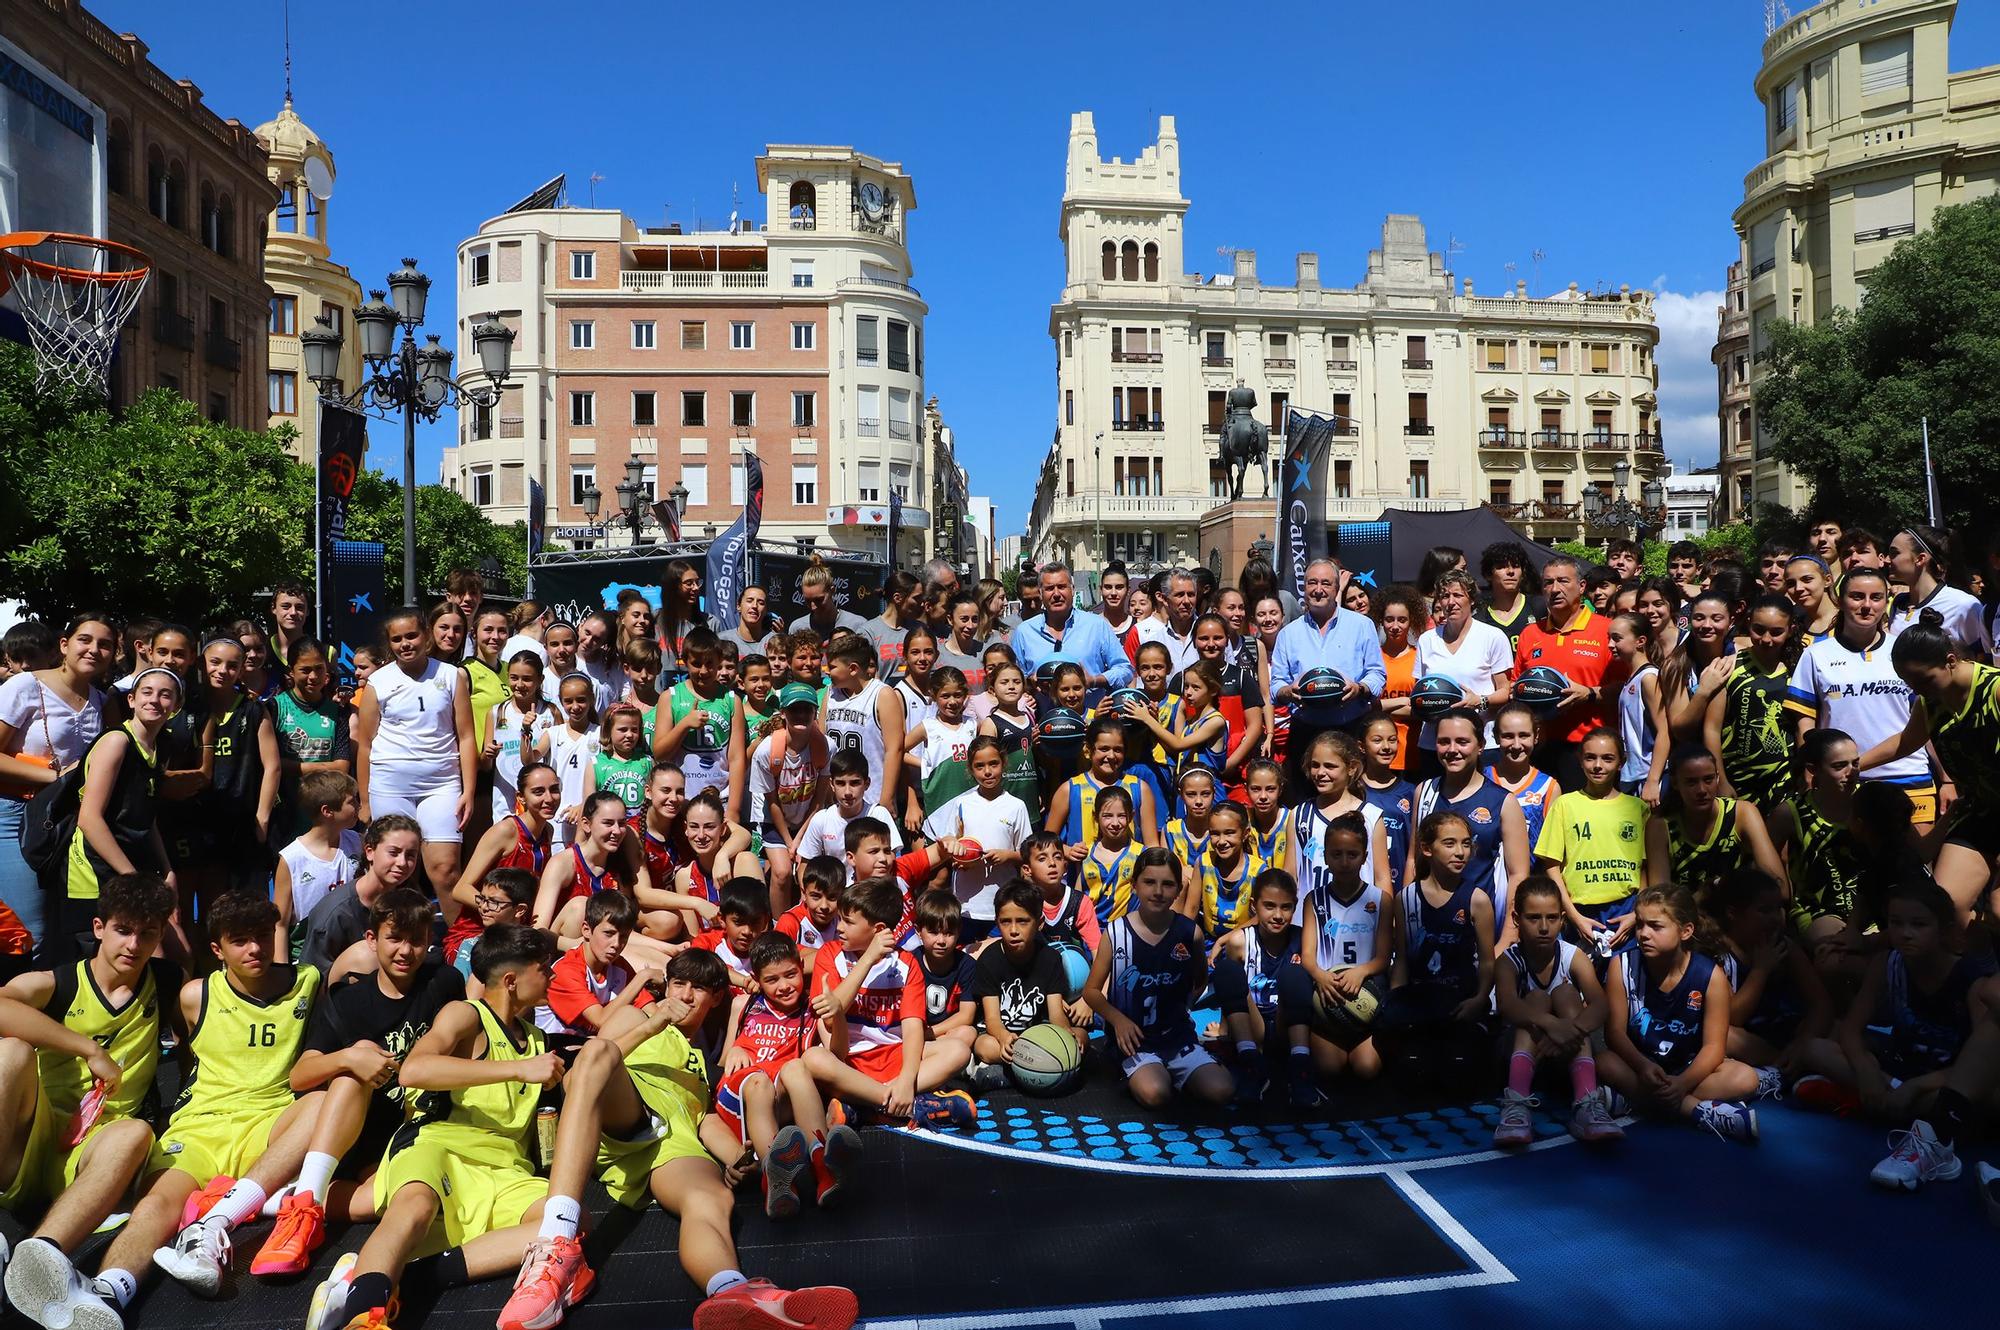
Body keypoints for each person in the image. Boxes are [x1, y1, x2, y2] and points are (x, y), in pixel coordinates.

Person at [110, 893, 325, 1299]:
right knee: (154, 1208)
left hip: (268, 1123)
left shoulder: (308, 981)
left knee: (320, 1105)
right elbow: (185, 1051)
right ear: (217, 949)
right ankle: (108, 1289)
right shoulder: (196, 995)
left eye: (263, 936)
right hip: (201, 1128)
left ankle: (216, 1216)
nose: (256, 949)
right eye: (240, 940)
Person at [0, 874, 177, 1330]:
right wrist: (89, 1049)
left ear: (161, 934)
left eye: (148, 932)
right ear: (99, 927)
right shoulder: (61, 981)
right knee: (11, 1051)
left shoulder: (169, 982)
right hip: (29, 1136)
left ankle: (43, 1256)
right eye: (123, 929)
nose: (134, 944)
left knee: (137, 1131)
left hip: (91, 1154)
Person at [1804, 878, 1999, 1188]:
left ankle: (1865, 1102)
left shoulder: (1972, 981)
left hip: (1940, 1083)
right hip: (1896, 1069)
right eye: (1896, 923)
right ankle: (1880, 1099)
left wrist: (1914, 1087)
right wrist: (1867, 1071)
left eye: (1919, 924)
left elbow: (1979, 1066)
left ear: (1944, 930)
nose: (1906, 933)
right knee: (1816, 1048)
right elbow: (1852, 1030)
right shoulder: (1888, 963)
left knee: (1985, 1101)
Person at [801, 877, 975, 1127]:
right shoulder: (829, 955)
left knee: (958, 1050)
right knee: (813, 1059)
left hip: (895, 1055)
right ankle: (906, 1105)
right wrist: (868, 958)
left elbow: (913, 1027)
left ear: (878, 929)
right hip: (850, 1061)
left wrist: (906, 1079)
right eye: (841, 919)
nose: (839, 927)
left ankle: (865, 1105)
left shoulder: (906, 963)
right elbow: (831, 1013)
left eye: (848, 922)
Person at [709, 932, 858, 1220]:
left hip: (780, 1100)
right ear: (757, 979)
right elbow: (724, 1059)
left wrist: (837, 1014)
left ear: (801, 967)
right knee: (759, 1082)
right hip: (740, 1094)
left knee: (797, 1066)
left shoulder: (812, 1009)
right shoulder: (745, 1004)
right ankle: (774, 1180)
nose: (784, 986)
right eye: (772, 980)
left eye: (790, 975)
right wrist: (737, 1049)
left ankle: (822, 1166)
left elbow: (836, 1055)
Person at [1599, 884, 1761, 1143]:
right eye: (1639, 924)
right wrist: (1643, 1066)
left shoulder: (1711, 976)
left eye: (1656, 926)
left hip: (1689, 1068)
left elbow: (1713, 1047)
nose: (1644, 934)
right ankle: (1697, 1111)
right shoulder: (1622, 965)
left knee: (1746, 1078)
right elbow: (1615, 1033)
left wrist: (1683, 1083)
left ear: (1686, 931)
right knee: (1604, 1061)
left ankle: (1634, 1101)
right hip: (1641, 1066)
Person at [1865, 612, 2000, 918]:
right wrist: (1854, 765)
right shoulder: (1931, 701)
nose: (1917, 689)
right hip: (1982, 811)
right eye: (1909, 682)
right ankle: (1984, 966)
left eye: (1923, 679)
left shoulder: (1994, 691)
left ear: (1950, 661)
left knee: (1998, 910)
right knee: (1942, 910)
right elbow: (1905, 742)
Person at [0, 612, 112, 956]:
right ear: (64, 645)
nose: (94, 649)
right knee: (31, 932)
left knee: (65, 928)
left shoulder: (103, 701)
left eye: (105, 644)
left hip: (69, 822)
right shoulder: (24, 686)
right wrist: (59, 778)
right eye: (85, 640)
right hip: (17, 814)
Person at [1086, 847, 1233, 1108]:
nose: (1157, 891)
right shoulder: (1116, 933)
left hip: (1177, 1039)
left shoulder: (1190, 933)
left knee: (1222, 1090)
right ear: (1134, 886)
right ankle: (1127, 1068)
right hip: (1135, 1043)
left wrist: (1182, 1007)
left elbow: (1199, 981)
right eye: (1149, 882)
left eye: (1167, 884)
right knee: (1156, 1094)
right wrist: (1118, 1021)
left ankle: (1179, 1073)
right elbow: (1092, 992)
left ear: (1178, 890)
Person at [1786, 568, 1935, 822]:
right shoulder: (1816, 654)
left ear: (1886, 601)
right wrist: (1813, 770)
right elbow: (1805, 723)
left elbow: (1924, 721)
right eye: (1857, 596)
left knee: (1916, 860)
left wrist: (1946, 778)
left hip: (1908, 776)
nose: (1867, 606)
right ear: (1840, 600)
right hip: (1844, 782)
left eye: (1876, 597)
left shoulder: (1905, 650)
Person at [57, 668, 179, 966]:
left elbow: (145, 817)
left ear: (175, 706)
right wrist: (133, 878)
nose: (155, 700)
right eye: (147, 692)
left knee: (176, 957)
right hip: (96, 873)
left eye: (165, 694)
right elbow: (89, 818)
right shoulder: (117, 741)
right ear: (132, 700)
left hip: (131, 869)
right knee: (138, 965)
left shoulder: (157, 748)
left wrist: (167, 869)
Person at [355, 608, 477, 902]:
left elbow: (467, 736)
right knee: (394, 873)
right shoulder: (378, 682)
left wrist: (468, 791)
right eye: (397, 639)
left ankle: (456, 946)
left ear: (426, 635)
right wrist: (365, 800)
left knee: (445, 870)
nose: (405, 644)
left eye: (412, 635)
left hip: (442, 785)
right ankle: (395, 943)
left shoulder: (451, 676)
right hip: (390, 787)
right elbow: (365, 744)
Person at [1492, 875, 1621, 1146]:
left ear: (1563, 919)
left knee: (1566, 993)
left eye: (1552, 918)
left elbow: (1600, 1004)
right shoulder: (1508, 960)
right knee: (1537, 998)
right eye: (1533, 918)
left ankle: (1587, 1103)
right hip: (1521, 1054)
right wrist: (1552, 1026)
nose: (1543, 927)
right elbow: (1507, 1005)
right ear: (1516, 919)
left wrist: (1570, 1030)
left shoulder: (1573, 955)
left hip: (1566, 1051)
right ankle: (1516, 1104)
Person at [1380, 811, 1494, 1083]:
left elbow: (1489, 961)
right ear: (1426, 849)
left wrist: (1479, 1000)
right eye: (1450, 843)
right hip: (1419, 1004)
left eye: (1466, 843)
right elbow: (1403, 959)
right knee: (1412, 1072)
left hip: (1460, 1002)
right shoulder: (1406, 898)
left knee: (1458, 1073)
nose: (1460, 852)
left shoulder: (1477, 900)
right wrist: (1397, 1002)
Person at [1532, 727, 1654, 961]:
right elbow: (1551, 866)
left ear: (1621, 762)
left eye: (1608, 758)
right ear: (1580, 760)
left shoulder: (1638, 809)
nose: (1598, 765)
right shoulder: (1564, 805)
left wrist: (1637, 913)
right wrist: (1573, 916)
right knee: (1580, 989)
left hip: (1626, 913)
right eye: (1590, 757)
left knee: (1623, 987)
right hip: (1579, 912)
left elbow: (1645, 867)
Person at [1296, 812, 1391, 1098]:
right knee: (1330, 1069)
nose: (1345, 862)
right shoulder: (1315, 899)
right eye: (1337, 854)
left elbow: (1383, 958)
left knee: (1366, 1068)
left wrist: (1361, 972)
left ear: (1364, 857)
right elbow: (1308, 956)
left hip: (1366, 994)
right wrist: (1321, 977)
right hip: (1327, 996)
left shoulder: (1380, 899)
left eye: (1352, 854)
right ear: (1325, 857)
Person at [1270, 559, 1386, 793]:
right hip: (1305, 730)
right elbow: (1276, 685)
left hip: (1350, 728)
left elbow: (1377, 674)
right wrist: (1287, 691)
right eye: (1312, 582)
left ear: (1336, 589)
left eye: (1326, 583)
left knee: (1352, 798)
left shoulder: (1362, 626)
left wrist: (1360, 688)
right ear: (1304, 587)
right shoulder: (1288, 634)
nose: (1318, 589)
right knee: (1307, 798)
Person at [1410, 713, 1529, 942]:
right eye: (1444, 741)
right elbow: (1413, 861)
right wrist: (1404, 918)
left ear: (1481, 746)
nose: (1452, 749)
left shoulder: (1504, 801)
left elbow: (1518, 875)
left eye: (1462, 742)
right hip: (1427, 929)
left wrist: (1507, 938)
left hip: (1482, 933)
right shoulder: (1423, 792)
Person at [1711, 869, 1830, 1086]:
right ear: (1732, 913)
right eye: (1764, 911)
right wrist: (1760, 970)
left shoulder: (1786, 947)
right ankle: (1784, 1068)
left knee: (1837, 1028)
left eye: (1778, 909)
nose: (1775, 918)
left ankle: (1796, 1065)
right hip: (1753, 1042)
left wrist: (1802, 1044)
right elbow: (1730, 1018)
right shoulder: (1719, 954)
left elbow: (1820, 1004)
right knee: (1724, 1036)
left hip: (1789, 1033)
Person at [1512, 556, 1613, 791]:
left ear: (1581, 587)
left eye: (1563, 581)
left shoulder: (1606, 630)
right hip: (1540, 747)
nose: (1555, 589)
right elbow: (1517, 684)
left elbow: (1626, 687)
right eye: (1548, 583)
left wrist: (1589, 693)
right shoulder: (1530, 633)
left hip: (1588, 749)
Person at [1766, 728, 1864, 962]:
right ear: (1813, 770)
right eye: (1840, 766)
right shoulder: (1791, 812)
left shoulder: (1869, 801)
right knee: (1836, 958)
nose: (1851, 773)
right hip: (1818, 910)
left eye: (1856, 763)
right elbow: (1764, 863)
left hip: (1869, 906)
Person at [969, 880, 1081, 1081]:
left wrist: (1066, 1034)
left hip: (1037, 1034)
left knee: (1082, 1037)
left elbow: (1056, 1014)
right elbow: (992, 1019)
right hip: (1001, 1036)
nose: (1013, 930)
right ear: (997, 923)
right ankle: (1039, 1069)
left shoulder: (1051, 958)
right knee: (983, 1046)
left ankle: (1010, 1073)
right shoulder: (989, 960)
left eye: (1022, 921)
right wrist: (1004, 1037)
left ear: (1039, 923)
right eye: (1005, 922)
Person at [921, 735, 1032, 935]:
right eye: (979, 766)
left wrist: (1007, 856)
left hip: (1001, 905)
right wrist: (955, 852)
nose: (987, 771)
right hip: (966, 905)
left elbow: (1026, 854)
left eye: (993, 764)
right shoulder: (962, 804)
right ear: (970, 769)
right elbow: (950, 842)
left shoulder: (1016, 806)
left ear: (1004, 763)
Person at [1705, 593, 1801, 809]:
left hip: (1784, 780)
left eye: (1776, 632)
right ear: (1748, 624)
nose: (1766, 639)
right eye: (1759, 630)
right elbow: (1711, 728)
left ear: (1791, 630)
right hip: (1737, 779)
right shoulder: (1728, 667)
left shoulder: (1799, 667)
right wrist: (1720, 779)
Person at [1415, 570, 1514, 765]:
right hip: (1434, 744)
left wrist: (1479, 701)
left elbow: (1505, 691)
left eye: (1458, 595)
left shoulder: (1493, 637)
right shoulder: (1426, 640)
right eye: (1444, 596)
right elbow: (1419, 692)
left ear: (1472, 600)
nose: (1451, 602)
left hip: (1481, 744)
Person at [749, 682, 830, 914]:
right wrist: (788, 841)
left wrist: (799, 838)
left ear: (815, 712)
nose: (801, 715)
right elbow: (772, 802)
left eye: (807, 709)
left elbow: (819, 799)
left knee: (808, 876)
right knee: (782, 872)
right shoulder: (766, 751)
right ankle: (778, 925)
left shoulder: (826, 747)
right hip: (774, 821)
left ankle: (806, 925)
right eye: (795, 710)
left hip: (808, 818)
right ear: (783, 713)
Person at [275, 771, 364, 960]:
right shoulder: (292, 858)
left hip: (353, 945)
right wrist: (282, 971)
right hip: (308, 952)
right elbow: (280, 924)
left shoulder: (358, 843)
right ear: (327, 811)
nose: (359, 805)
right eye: (352, 801)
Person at [272, 638, 352, 845]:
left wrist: (291, 766)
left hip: (326, 813)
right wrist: (327, 767)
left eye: (319, 668)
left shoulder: (338, 712)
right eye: (305, 670)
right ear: (291, 671)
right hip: (285, 813)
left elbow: (342, 766)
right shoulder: (274, 708)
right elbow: (271, 765)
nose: (313, 677)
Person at [544, 891, 655, 1035]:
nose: (616, 944)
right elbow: (600, 1019)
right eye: (609, 934)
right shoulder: (565, 971)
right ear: (586, 930)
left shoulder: (620, 966)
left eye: (624, 937)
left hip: (593, 1048)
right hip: (555, 1050)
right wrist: (643, 977)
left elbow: (652, 1011)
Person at [655, 629, 745, 806]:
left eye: (710, 663)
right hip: (680, 798)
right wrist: (684, 725)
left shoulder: (731, 700)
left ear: (719, 661)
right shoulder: (670, 697)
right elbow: (659, 753)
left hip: (720, 798)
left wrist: (734, 808)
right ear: (685, 662)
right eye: (696, 664)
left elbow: (736, 759)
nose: (703, 671)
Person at [1011, 563, 1134, 693]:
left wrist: (1094, 680)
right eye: (1049, 588)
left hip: (1091, 711)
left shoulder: (1096, 625)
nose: (1056, 593)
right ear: (1041, 593)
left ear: (1073, 589)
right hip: (1043, 711)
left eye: (1062, 587)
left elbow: (1124, 669)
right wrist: (1029, 682)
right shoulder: (1024, 632)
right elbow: (1013, 678)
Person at [1046, 717, 1160, 851]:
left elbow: (1152, 845)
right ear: (1088, 750)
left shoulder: (1140, 789)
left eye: (1118, 750)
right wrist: (1068, 850)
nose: (1111, 756)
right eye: (1104, 749)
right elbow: (1047, 843)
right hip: (1080, 871)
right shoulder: (1069, 789)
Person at [822, 635, 905, 814]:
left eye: (833, 667)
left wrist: (887, 798)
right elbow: (822, 744)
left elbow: (895, 749)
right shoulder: (830, 693)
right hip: (836, 798)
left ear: (852, 668)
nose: (828, 672)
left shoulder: (882, 694)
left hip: (871, 799)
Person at [1889, 525, 1990, 660]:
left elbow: (1983, 660)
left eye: (1894, 553)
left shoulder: (1963, 604)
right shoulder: (1897, 602)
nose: (1886, 560)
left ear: (1920, 559)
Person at [795, 751, 902, 866]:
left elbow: (893, 859)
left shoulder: (878, 815)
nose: (847, 792)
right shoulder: (821, 820)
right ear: (832, 784)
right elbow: (805, 866)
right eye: (840, 783)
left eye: (854, 783)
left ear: (867, 784)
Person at [487, 651, 555, 824]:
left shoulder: (550, 713)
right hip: (504, 804)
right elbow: (484, 764)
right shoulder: (497, 712)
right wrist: (488, 754)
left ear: (540, 680)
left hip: (541, 803)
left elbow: (555, 759)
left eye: (527, 679)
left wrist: (526, 730)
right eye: (514, 677)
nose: (519, 684)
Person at [1610, 612, 1667, 805]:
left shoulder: (1648, 678)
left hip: (1648, 776)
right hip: (1632, 775)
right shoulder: (1631, 679)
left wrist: (1653, 780)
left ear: (1640, 641)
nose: (1610, 645)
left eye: (1616, 638)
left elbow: (1664, 731)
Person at [1485, 702, 1558, 853]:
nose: (1517, 745)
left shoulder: (1548, 787)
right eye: (1508, 736)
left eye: (1524, 735)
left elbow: (1552, 849)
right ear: (1496, 737)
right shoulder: (1481, 778)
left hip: (1531, 875)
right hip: (1485, 876)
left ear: (1536, 736)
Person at [1474, 541, 1542, 658]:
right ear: (1488, 575)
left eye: (1516, 566)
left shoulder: (1540, 607)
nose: (1510, 571)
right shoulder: (1480, 620)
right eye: (1501, 567)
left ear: (1523, 573)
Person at [1137, 570, 1201, 675]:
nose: (1186, 601)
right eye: (1179, 595)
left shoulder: (1214, 635)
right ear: (1164, 599)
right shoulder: (1155, 641)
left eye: (1191, 595)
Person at [787, 564, 869, 642]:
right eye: (808, 601)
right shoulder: (797, 628)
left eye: (819, 600)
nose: (813, 606)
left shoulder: (857, 625)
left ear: (832, 591)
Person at [1784, 555, 1839, 643]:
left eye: (1807, 579)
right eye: (1791, 583)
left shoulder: (1850, 620)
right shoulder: (1791, 627)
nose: (1798, 588)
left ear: (1827, 580)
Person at [1096, 562, 1142, 666]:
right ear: (1100, 590)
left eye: (1119, 587)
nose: (1113, 593)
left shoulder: (1139, 627)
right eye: (1108, 587)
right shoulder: (1091, 626)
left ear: (1128, 590)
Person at [268, 580, 314, 674]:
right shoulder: (261, 651)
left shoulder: (325, 652)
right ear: (273, 608)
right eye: (286, 606)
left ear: (307, 611)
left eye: (299, 607)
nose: (293, 613)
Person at [725, 584, 778, 657]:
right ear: (738, 606)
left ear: (766, 610)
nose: (754, 606)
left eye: (761, 603)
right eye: (749, 601)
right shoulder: (723, 640)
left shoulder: (775, 641)